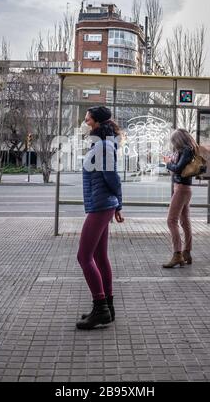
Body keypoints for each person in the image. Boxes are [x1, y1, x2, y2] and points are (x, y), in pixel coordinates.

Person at [76, 106, 124, 330]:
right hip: (103, 203)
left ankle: (100, 307)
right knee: (100, 256)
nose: (85, 119)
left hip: (101, 204)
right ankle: (108, 307)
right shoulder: (102, 143)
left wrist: (118, 203)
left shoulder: (103, 146)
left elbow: (112, 178)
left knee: (84, 257)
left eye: (87, 115)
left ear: (95, 119)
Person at [162, 128, 198, 268]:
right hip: (183, 188)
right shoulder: (186, 150)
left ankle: (177, 254)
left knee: (171, 220)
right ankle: (187, 252)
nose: (173, 145)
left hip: (182, 188)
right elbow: (179, 167)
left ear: (178, 140)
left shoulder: (186, 151)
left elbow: (177, 168)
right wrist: (171, 161)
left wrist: (167, 163)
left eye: (173, 142)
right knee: (184, 221)